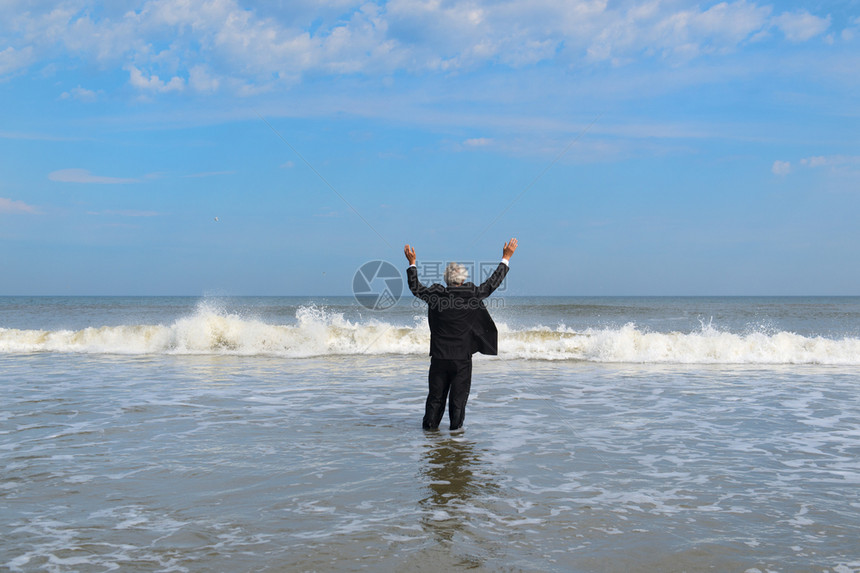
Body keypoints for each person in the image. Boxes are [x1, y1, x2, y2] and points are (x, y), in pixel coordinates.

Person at [404, 238, 518, 431]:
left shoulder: (436, 294)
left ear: (446, 280)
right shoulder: (471, 293)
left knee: (435, 399)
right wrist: (506, 258)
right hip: (461, 359)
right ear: (463, 279)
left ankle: (430, 437)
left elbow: (416, 288)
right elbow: (491, 284)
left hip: (439, 357)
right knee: (457, 402)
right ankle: (455, 440)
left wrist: (412, 263)